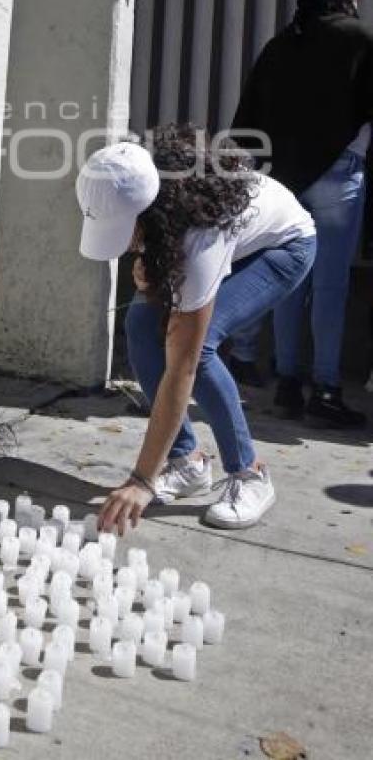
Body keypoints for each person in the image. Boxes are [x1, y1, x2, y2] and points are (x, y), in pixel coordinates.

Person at [76, 128, 316, 536]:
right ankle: (187, 462)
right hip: (229, 240)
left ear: (150, 213)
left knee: (197, 348)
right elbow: (158, 256)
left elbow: (181, 368)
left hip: (281, 248)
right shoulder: (150, 193)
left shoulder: (200, 237)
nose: (129, 246)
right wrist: (151, 263)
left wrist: (141, 480)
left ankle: (249, 473)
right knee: (140, 323)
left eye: (128, 233)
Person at [232, 0, 371, 428]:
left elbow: (248, 120)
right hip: (338, 178)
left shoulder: (279, 46)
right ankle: (326, 390)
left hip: (282, 181)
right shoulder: (359, 39)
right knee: (330, 287)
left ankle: (288, 381)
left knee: (290, 280)